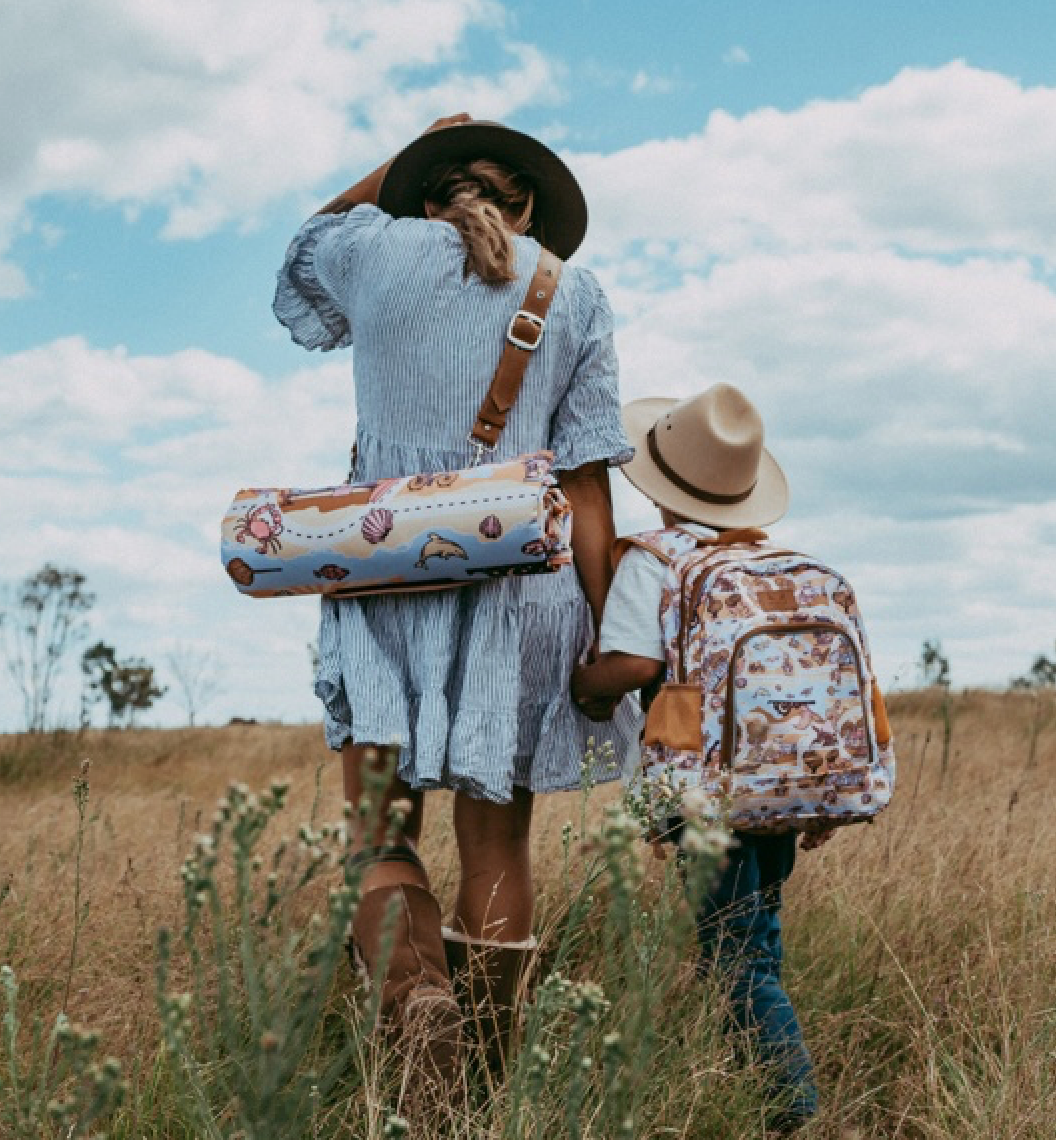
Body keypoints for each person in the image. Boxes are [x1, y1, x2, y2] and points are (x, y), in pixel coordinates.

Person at [272, 114, 636, 1082]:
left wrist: (398, 155)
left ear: (426, 191)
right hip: (526, 587)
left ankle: (415, 1008)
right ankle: (479, 1076)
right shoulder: (577, 291)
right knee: (498, 844)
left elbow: (304, 242)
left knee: (381, 833)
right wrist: (610, 630)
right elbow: (592, 485)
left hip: (386, 569)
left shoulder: (376, 251)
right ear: (531, 203)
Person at [571, 383, 826, 1132]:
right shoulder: (775, 564)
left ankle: (790, 1111)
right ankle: (748, 1085)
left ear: (659, 489)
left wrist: (584, 688)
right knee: (756, 939)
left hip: (703, 796)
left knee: (733, 959)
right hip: (780, 786)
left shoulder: (654, 561)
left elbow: (631, 666)